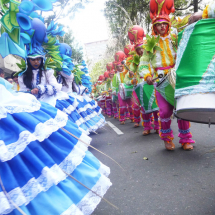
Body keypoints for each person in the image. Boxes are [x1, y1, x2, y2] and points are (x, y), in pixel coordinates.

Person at [0, 77, 111, 215]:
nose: (35, 61)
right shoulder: (24, 75)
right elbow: (22, 90)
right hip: (34, 103)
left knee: (50, 145)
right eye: (32, 59)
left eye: (37, 59)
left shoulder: (50, 72)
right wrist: (31, 91)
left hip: (51, 101)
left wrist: (41, 89)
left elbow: (56, 86)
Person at [139, 0, 195, 150]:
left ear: (168, 24)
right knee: (164, 111)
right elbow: (143, 64)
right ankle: (167, 138)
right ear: (154, 27)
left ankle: (185, 139)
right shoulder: (149, 44)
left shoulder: (175, 38)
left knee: (181, 109)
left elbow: (188, 48)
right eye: (158, 24)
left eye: (164, 23)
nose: (162, 26)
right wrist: (147, 76)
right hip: (161, 81)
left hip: (177, 78)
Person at [124, 26, 159, 135]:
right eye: (139, 49)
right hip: (140, 86)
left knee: (155, 107)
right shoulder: (134, 61)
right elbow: (130, 74)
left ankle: (158, 126)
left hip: (152, 83)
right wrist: (130, 75)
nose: (141, 50)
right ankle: (147, 127)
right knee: (144, 107)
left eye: (142, 48)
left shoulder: (152, 56)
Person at [112, 51, 134, 125]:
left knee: (131, 105)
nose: (120, 68)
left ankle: (132, 117)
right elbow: (114, 85)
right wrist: (114, 91)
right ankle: (122, 119)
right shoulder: (115, 76)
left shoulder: (127, 72)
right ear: (116, 68)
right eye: (118, 67)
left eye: (121, 66)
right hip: (120, 92)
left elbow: (130, 79)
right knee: (122, 106)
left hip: (128, 90)